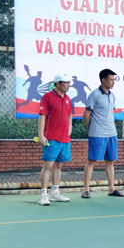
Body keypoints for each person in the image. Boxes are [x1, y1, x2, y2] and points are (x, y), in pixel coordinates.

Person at [82, 69, 124, 198]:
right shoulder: (94, 95)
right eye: (111, 80)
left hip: (111, 133)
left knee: (110, 161)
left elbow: (110, 113)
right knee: (92, 161)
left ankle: (111, 189)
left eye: (114, 80)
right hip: (97, 134)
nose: (113, 82)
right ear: (103, 80)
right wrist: (91, 129)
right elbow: (87, 114)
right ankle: (86, 190)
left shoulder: (112, 95)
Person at [37, 73, 74, 206]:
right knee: (48, 166)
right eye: (65, 82)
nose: (68, 85)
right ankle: (43, 194)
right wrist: (41, 135)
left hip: (65, 139)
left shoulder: (68, 98)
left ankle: (55, 192)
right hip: (51, 138)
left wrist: (69, 129)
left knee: (59, 166)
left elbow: (70, 115)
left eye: (69, 82)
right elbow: (42, 116)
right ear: (57, 83)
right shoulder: (47, 97)